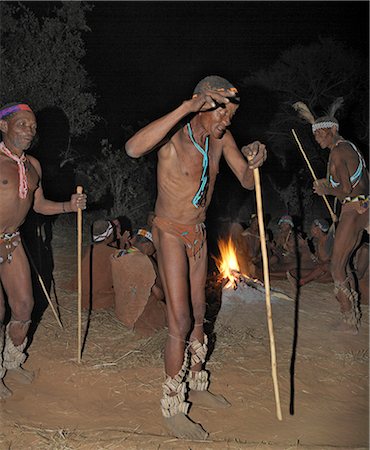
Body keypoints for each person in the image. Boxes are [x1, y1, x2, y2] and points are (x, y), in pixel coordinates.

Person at [125, 75, 266, 439]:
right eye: (222, 114)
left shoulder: (220, 139)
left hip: (198, 233)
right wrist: (186, 107)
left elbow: (247, 180)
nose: (226, 122)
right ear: (202, 102)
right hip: (169, 231)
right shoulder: (174, 135)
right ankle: (172, 404)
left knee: (201, 312)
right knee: (181, 318)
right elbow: (132, 149)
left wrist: (255, 158)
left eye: (231, 117)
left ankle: (197, 382)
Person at [0, 102, 87, 399]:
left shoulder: (32, 166)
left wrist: (68, 206)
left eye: (33, 126)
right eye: (22, 124)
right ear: (3, 126)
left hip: (11, 242)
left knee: (24, 307)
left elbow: (38, 205)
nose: (29, 130)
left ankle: (12, 361)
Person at [293, 98, 369, 333]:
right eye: (315, 136)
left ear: (332, 130)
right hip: (361, 207)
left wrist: (327, 189)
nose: (317, 140)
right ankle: (352, 315)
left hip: (354, 209)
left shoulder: (338, 152)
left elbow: (345, 190)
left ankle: (349, 321)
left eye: (319, 135)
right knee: (342, 263)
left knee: (337, 266)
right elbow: (355, 183)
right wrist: (329, 184)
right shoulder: (348, 147)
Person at [287, 218, 333, 287]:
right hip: (319, 272)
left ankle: (302, 281)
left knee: (326, 266)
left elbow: (325, 260)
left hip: (329, 273)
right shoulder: (318, 241)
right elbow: (316, 260)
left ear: (317, 229)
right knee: (294, 272)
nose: (310, 229)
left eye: (312, 227)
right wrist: (306, 248)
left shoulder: (329, 241)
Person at [268, 215, 315, 279]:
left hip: (294, 261)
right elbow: (278, 249)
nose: (283, 226)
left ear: (290, 226)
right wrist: (273, 247)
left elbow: (302, 254)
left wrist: (291, 251)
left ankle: (269, 274)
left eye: (286, 224)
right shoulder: (281, 236)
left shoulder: (296, 237)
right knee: (274, 258)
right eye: (282, 224)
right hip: (284, 260)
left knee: (294, 266)